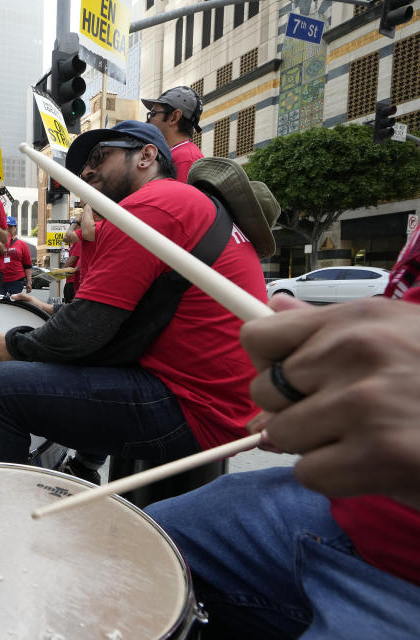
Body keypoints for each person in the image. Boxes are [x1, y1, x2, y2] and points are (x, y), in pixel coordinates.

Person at [146, 227, 420, 638]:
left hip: (404, 574)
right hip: (350, 504)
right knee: (143, 539)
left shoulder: (172, 214)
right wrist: (335, 403)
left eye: (99, 157)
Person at [0, 121, 270, 478]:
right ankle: (82, 469)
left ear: (146, 156)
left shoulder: (151, 207)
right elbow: (116, 315)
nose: (87, 171)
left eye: (99, 155)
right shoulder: (181, 204)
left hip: (196, 409)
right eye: (83, 166)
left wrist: (15, 345)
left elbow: (85, 330)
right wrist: (53, 309)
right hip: (221, 402)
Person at [141, 86, 204, 183]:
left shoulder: (185, 159)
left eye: (153, 113)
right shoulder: (177, 154)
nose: (146, 121)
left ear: (174, 117)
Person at [0, 216, 33, 296]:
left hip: (16, 280)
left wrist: (29, 282)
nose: (7, 229)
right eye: (4, 227)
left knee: (14, 304)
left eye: (9, 226)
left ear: (15, 227)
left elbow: (28, 265)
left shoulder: (22, 245)